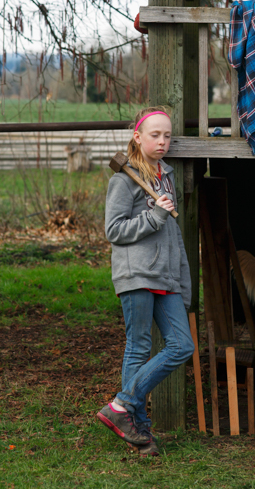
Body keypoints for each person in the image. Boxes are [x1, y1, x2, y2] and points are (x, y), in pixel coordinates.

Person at [97, 106, 194, 457]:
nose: (163, 141)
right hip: (137, 274)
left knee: (182, 345)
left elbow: (175, 237)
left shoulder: (165, 176)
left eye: (167, 135)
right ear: (138, 136)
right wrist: (154, 216)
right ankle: (142, 435)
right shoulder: (124, 179)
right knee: (138, 348)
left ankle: (121, 405)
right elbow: (114, 230)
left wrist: (182, 281)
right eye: (155, 134)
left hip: (166, 276)